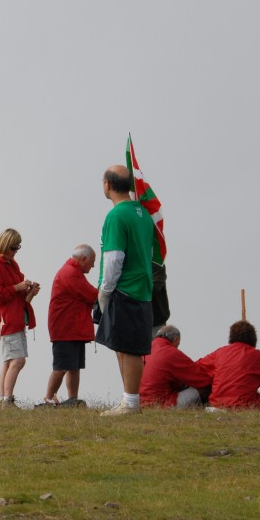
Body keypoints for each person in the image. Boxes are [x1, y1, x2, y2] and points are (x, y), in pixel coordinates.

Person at [96, 165, 155, 416]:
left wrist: (104, 291)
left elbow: (114, 258)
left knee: (128, 348)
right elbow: (150, 252)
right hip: (142, 286)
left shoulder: (116, 216)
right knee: (122, 345)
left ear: (107, 184)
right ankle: (127, 400)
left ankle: (131, 402)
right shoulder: (143, 213)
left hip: (125, 288)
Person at [0, 228, 39, 409]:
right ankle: (8, 400)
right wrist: (17, 287)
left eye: (18, 247)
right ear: (5, 245)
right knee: (18, 360)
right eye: (14, 247)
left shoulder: (12, 264)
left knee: (9, 362)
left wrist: (30, 292)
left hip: (16, 319)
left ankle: (2, 399)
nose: (16, 251)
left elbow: (18, 297)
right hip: (5, 322)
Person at [41, 244, 97, 408]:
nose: (93, 266)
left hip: (73, 328)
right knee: (62, 366)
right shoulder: (71, 273)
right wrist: (107, 290)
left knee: (74, 366)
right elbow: (92, 295)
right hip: (66, 328)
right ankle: (48, 399)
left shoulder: (73, 272)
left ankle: (72, 399)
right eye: (92, 262)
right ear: (83, 259)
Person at [197, 321, 260, 410]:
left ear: (231, 337)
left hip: (217, 407)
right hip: (249, 407)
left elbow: (197, 368)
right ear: (254, 338)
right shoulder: (258, 356)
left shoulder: (219, 353)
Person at [140, 325, 212, 408]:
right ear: (176, 340)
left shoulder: (145, 348)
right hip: (162, 404)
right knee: (204, 389)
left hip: (140, 402)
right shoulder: (171, 353)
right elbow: (202, 379)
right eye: (178, 344)